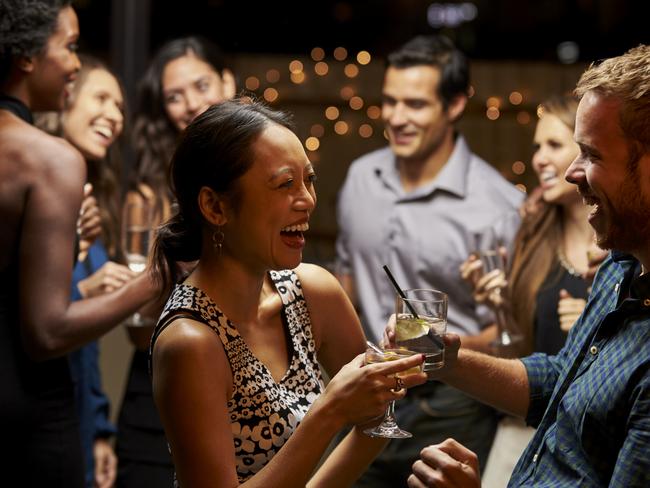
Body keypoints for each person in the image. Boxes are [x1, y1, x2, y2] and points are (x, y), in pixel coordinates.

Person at [148, 98, 427, 486]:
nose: (307, 201)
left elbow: (377, 421)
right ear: (214, 207)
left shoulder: (313, 294)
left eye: (308, 180)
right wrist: (329, 412)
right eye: (285, 185)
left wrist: (386, 368)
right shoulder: (191, 340)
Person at [408, 44, 650, 488]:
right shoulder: (620, 269)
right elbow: (561, 379)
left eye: (592, 155)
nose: (572, 171)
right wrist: (446, 360)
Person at [335, 34, 523, 485]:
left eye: (415, 105)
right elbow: (347, 278)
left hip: (450, 404)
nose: (397, 118)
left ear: (455, 104)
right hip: (366, 395)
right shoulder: (360, 178)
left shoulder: (496, 206)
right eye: (390, 102)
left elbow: (514, 333)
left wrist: (437, 349)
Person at [0, 1, 158, 486]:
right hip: (26, 412)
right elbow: (45, 333)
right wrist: (158, 277)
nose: (74, 62)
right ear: (26, 56)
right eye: (68, 46)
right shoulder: (49, 160)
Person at [115, 36, 236, 488]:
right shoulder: (148, 194)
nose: (190, 104)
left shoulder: (259, 175)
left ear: (227, 80)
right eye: (173, 96)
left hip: (245, 380)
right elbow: (138, 331)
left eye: (201, 85)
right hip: (161, 384)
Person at [459, 95, 598, 486]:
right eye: (537, 146)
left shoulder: (619, 244)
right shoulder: (533, 236)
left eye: (553, 145)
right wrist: (501, 308)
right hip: (523, 431)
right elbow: (518, 351)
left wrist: (592, 319)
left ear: (587, 149)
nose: (538, 158)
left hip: (588, 436)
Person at [36, 54, 136, 488]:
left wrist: (99, 431)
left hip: (74, 411)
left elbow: (87, 348)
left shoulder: (90, 200)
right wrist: (86, 291)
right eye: (101, 98)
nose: (113, 117)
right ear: (66, 100)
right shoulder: (33, 183)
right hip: (33, 413)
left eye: (120, 108)